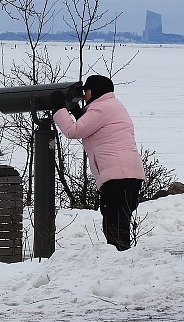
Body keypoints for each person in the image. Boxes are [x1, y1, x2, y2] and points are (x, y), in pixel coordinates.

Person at [50, 75, 146, 251]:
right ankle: (123, 258)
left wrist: (59, 108)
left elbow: (73, 131)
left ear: (94, 91)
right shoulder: (111, 105)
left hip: (118, 176)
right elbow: (91, 128)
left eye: (86, 91)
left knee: (114, 226)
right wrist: (76, 111)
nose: (84, 96)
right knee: (119, 223)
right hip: (129, 174)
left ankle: (120, 262)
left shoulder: (101, 108)